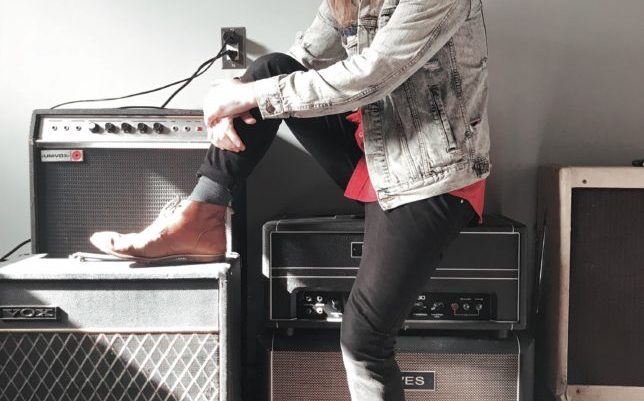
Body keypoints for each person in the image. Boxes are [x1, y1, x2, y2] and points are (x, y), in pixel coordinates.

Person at [91, 0, 490, 400]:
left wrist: (247, 96)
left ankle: (200, 220)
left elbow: (373, 75)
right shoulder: (346, 2)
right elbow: (301, 59)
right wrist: (236, 101)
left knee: (364, 341)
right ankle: (200, 218)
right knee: (271, 68)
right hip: (374, 153)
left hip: (431, 175)